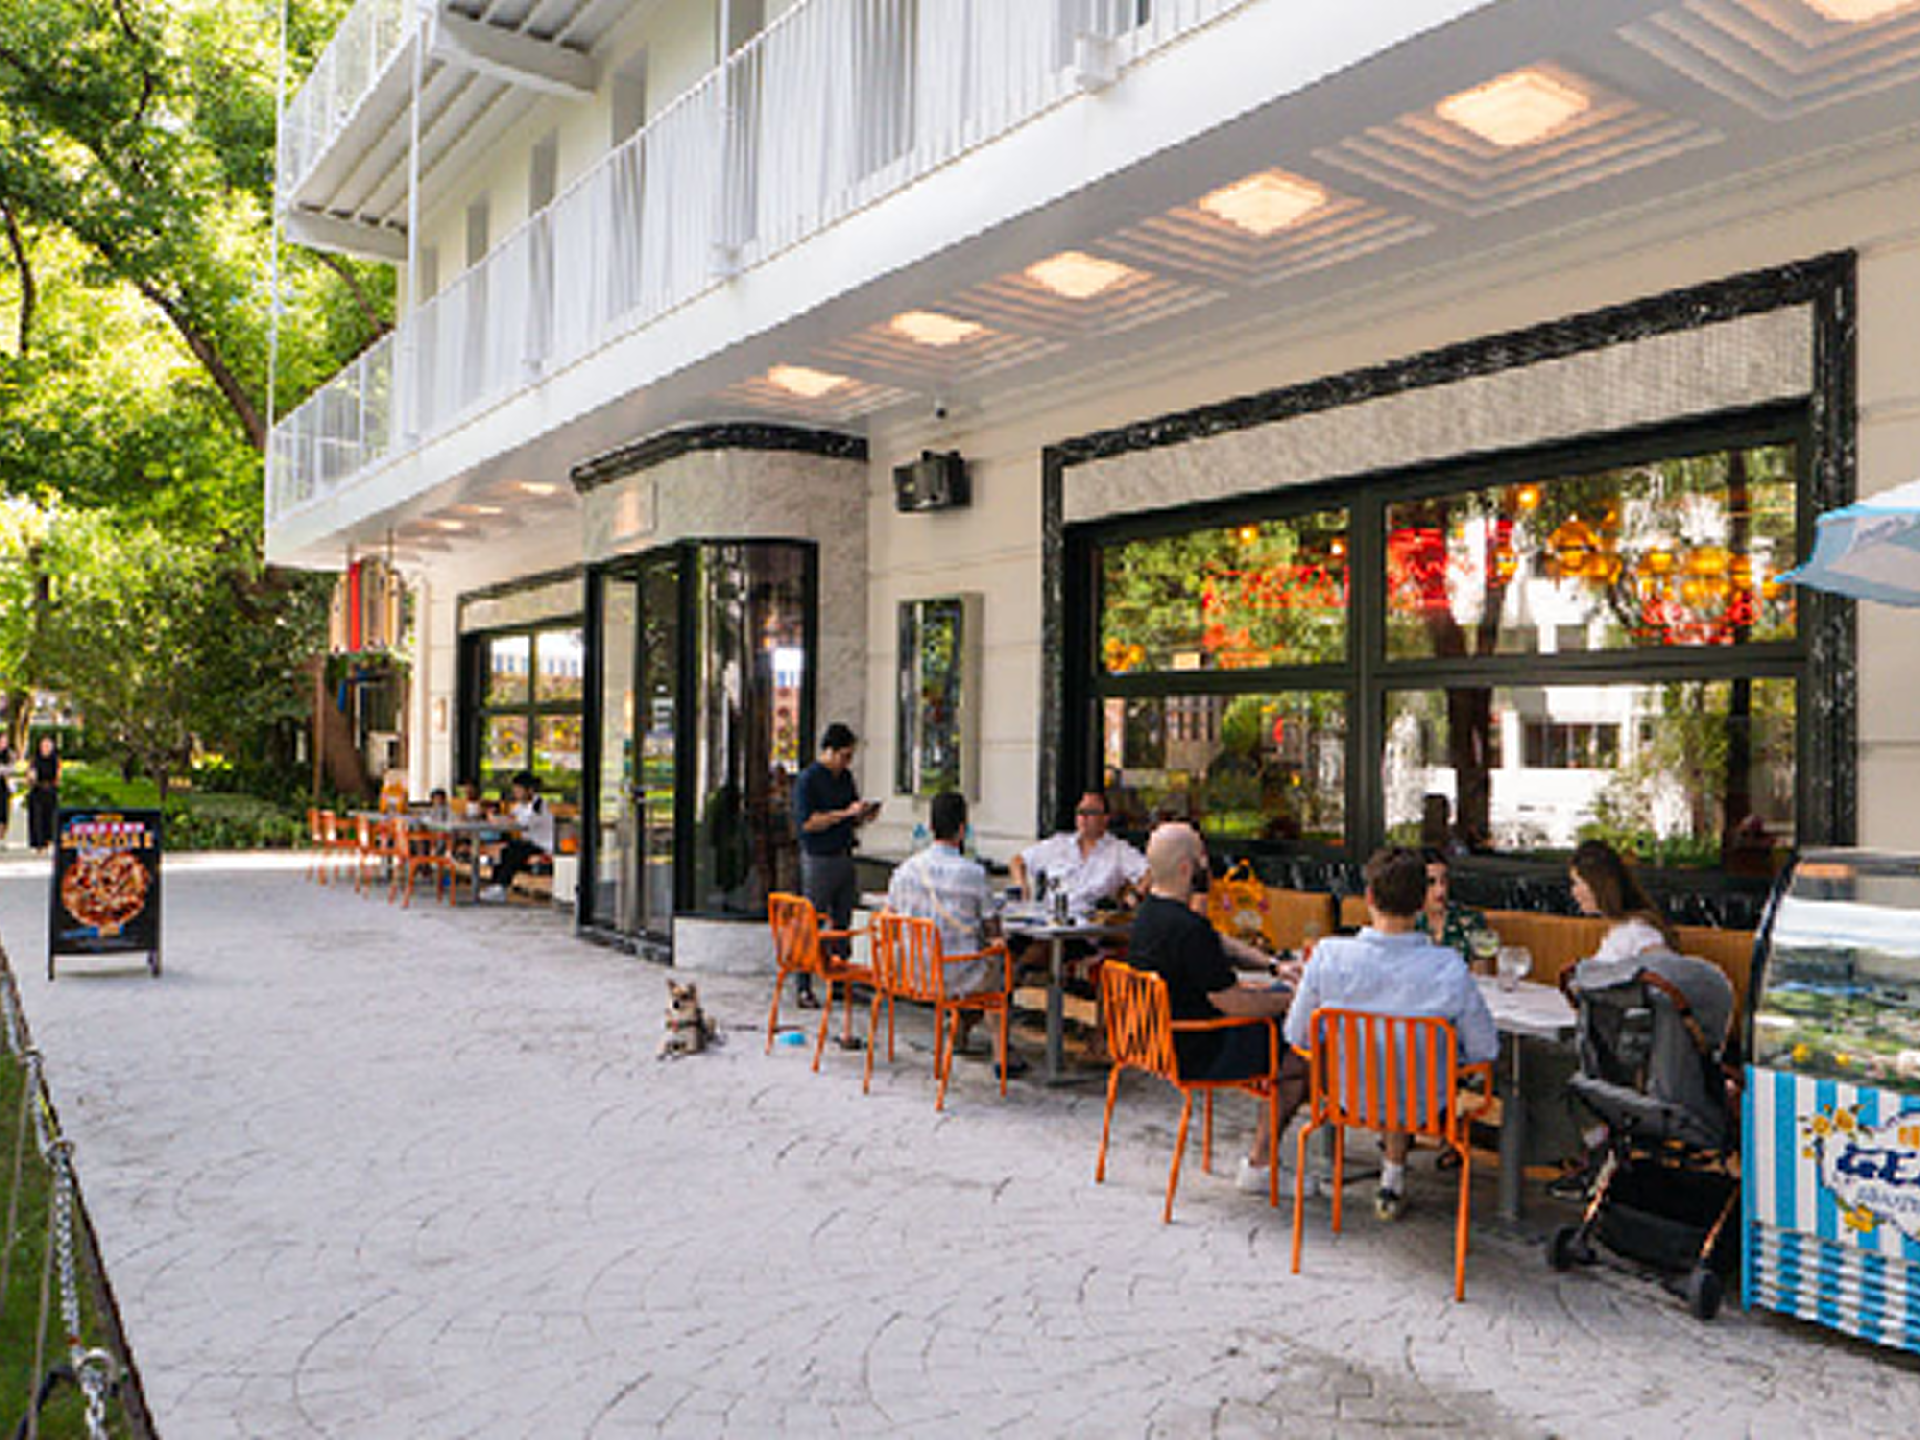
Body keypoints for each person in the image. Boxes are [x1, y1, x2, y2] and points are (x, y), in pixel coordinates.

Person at [1284, 846, 1499, 1221]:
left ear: (1368, 897)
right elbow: (1485, 1049)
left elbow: (1298, 1036)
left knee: (1386, 1062)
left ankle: (1390, 1177)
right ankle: (1393, 1177)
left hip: (1349, 1098)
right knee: (1407, 1067)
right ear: (1421, 903)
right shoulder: (1448, 967)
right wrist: (1445, 1056)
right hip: (1424, 1106)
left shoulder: (1328, 956)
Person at [1127, 822, 1299, 1193]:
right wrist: (1294, 998)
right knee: (1302, 1057)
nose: (1208, 864)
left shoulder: (1149, 916)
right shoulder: (1189, 930)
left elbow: (1214, 942)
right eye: (1202, 856)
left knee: (1271, 1004)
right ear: (1186, 867)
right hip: (1199, 1051)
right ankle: (1260, 1165)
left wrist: (1272, 967)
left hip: (1156, 1045)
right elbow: (1235, 1003)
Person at [1551, 838, 1679, 1195]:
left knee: (1548, 1068)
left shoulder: (1640, 933)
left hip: (1627, 1057)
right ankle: (1596, 1152)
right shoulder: (1622, 931)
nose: (1574, 892)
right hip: (1610, 1047)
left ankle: (1598, 1153)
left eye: (1578, 883)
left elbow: (1666, 982)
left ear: (1599, 886)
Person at [885, 791, 1023, 1079]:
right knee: (998, 964)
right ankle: (1001, 1054)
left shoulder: (904, 871)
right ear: (962, 830)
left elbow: (888, 920)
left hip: (912, 974)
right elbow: (992, 928)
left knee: (976, 964)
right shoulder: (973, 874)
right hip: (955, 976)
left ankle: (958, 1032)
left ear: (930, 827)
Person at [792, 723, 878, 1008]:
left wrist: (862, 814)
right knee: (812, 920)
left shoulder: (845, 778)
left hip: (844, 851)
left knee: (843, 919)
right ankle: (803, 984)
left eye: (850, 756)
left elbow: (850, 814)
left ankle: (840, 979)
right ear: (828, 751)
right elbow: (807, 823)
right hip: (818, 856)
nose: (846, 762)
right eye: (843, 756)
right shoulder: (809, 780)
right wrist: (843, 814)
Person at [1009, 789, 1147, 917]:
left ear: (1105, 818)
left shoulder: (1118, 850)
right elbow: (1018, 861)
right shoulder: (1058, 844)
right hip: (1052, 920)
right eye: (1080, 812)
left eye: (1090, 812)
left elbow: (1150, 873)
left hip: (1093, 926)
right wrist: (1021, 885)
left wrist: (1136, 894)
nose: (1083, 817)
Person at [480, 771, 553, 901]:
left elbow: (524, 822)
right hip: (528, 843)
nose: (515, 793)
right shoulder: (522, 805)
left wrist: (501, 820)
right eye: (515, 790)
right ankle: (497, 886)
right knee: (505, 850)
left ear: (530, 790)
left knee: (512, 850)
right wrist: (497, 818)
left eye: (518, 790)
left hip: (541, 845)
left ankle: (500, 887)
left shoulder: (539, 805)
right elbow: (511, 817)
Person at [1415, 847, 1486, 962]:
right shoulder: (1405, 923)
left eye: (1444, 881)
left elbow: (1481, 970)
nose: (1440, 890)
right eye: (1430, 882)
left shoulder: (1471, 919)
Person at [27, 736, 59, 852]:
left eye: (48, 746)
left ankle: (48, 840)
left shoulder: (55, 760)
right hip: (37, 790)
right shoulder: (35, 760)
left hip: (50, 791)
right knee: (37, 818)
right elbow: (29, 775)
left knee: (49, 818)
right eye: (43, 746)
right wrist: (31, 777)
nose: (45, 748)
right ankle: (38, 844)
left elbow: (58, 777)